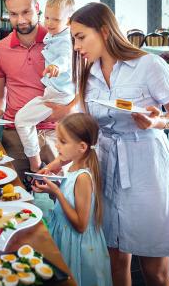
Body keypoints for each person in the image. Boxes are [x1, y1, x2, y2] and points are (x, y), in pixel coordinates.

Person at [41, 2, 169, 286]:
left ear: (105, 31)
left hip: (147, 167)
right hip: (106, 166)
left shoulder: (148, 65)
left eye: (81, 37)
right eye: (73, 38)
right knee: (114, 259)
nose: (75, 45)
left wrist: (158, 122)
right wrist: (55, 164)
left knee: (154, 270)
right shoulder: (88, 74)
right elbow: (84, 133)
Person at [0, 0, 75, 177]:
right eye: (13, 14)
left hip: (58, 133)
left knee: (66, 198)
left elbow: (86, 85)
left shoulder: (61, 42)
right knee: (13, 198)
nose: (21, 20)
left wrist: (68, 109)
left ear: (37, 8)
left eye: (26, 12)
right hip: (15, 135)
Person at [32, 113, 112, 286]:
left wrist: (57, 193)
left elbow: (81, 225)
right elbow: (71, 201)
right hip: (65, 237)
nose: (56, 144)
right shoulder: (73, 165)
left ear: (81, 147)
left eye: (63, 141)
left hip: (78, 246)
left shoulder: (83, 177)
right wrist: (50, 189)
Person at [15, 0, 75, 173]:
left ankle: (36, 164)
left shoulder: (66, 40)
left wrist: (57, 66)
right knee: (23, 120)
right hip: (52, 92)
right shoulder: (53, 34)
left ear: (69, 20)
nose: (48, 23)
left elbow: (66, 57)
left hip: (60, 96)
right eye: (47, 17)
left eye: (55, 20)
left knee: (22, 120)